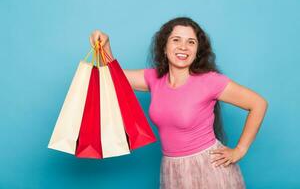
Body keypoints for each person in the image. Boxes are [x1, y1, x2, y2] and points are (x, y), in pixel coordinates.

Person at [89, 17, 268, 189]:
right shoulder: (154, 78)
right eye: (176, 40)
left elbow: (258, 104)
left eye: (191, 42)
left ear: (197, 51)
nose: (183, 47)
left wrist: (240, 150)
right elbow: (114, 77)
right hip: (172, 168)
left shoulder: (210, 81)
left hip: (208, 168)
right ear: (164, 48)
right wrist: (105, 47)